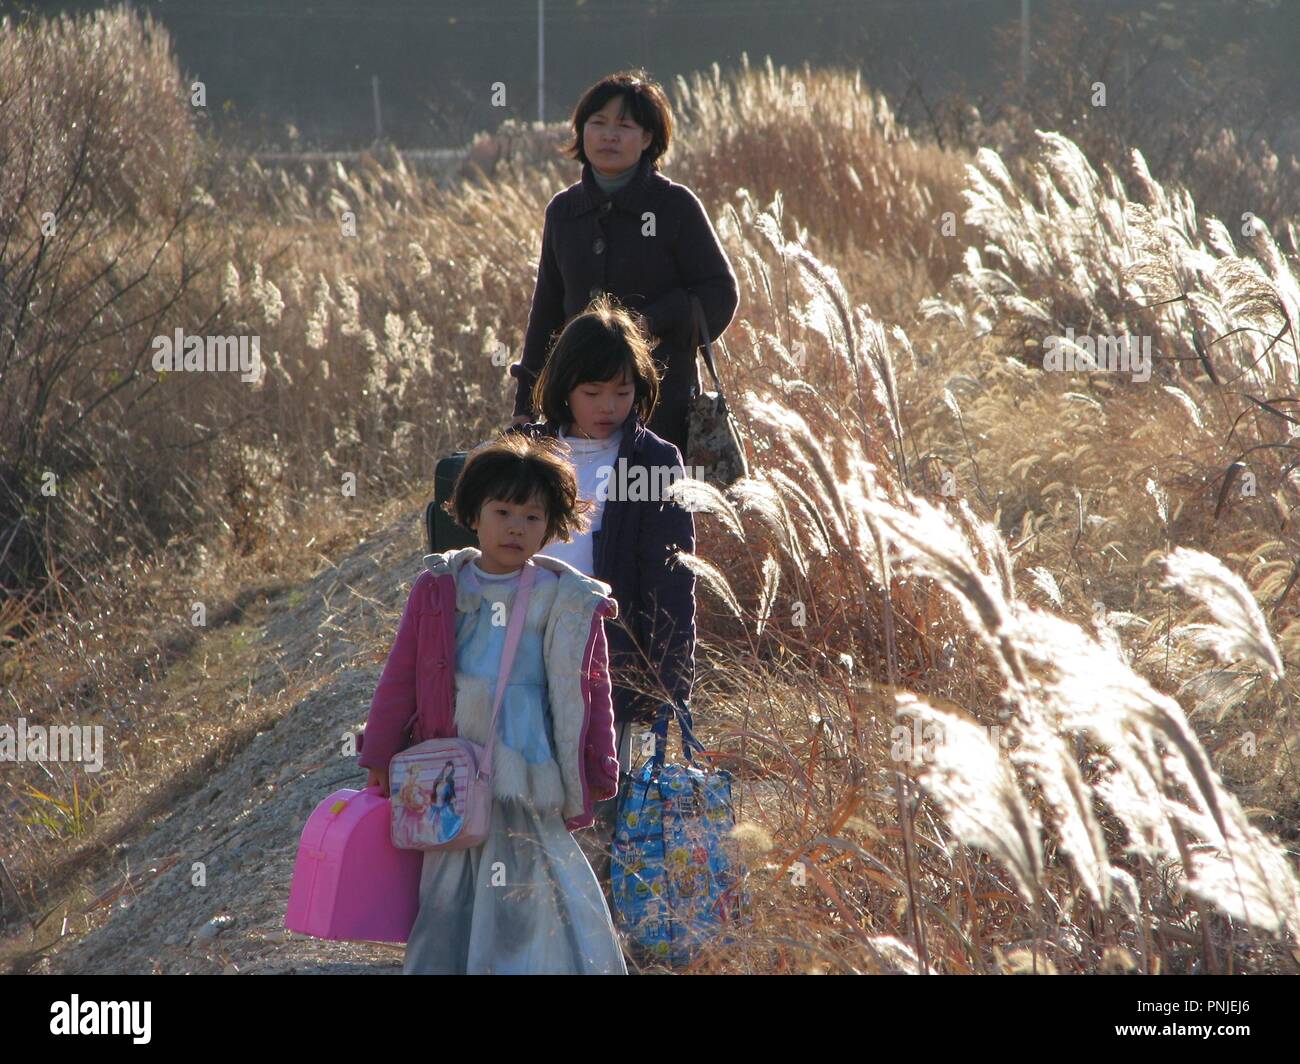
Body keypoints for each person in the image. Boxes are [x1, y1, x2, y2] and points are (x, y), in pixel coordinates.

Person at [356, 433, 627, 974]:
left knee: (536, 875)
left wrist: (600, 763)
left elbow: (589, 690)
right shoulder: (440, 589)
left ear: (550, 526)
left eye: (532, 516)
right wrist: (380, 756)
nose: (516, 527)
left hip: (529, 765)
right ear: (472, 514)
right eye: (502, 511)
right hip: (450, 769)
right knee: (450, 882)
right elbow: (401, 676)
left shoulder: (565, 597)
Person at [506, 294, 697, 893]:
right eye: (592, 393)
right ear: (563, 387)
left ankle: (591, 932)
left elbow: (672, 575)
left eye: (622, 392)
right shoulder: (526, 452)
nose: (608, 407)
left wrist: (669, 676)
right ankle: (523, 915)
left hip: (604, 657)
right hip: (517, 646)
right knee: (517, 784)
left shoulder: (652, 460)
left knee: (595, 794)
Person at [508, 69, 739, 455]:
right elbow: (546, 312)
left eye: (624, 125)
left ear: (648, 137)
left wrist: (652, 322)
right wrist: (524, 406)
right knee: (581, 507)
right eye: (597, 123)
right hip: (574, 409)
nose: (609, 135)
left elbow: (719, 292)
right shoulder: (564, 211)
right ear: (581, 133)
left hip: (662, 406)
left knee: (653, 506)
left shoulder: (674, 206)